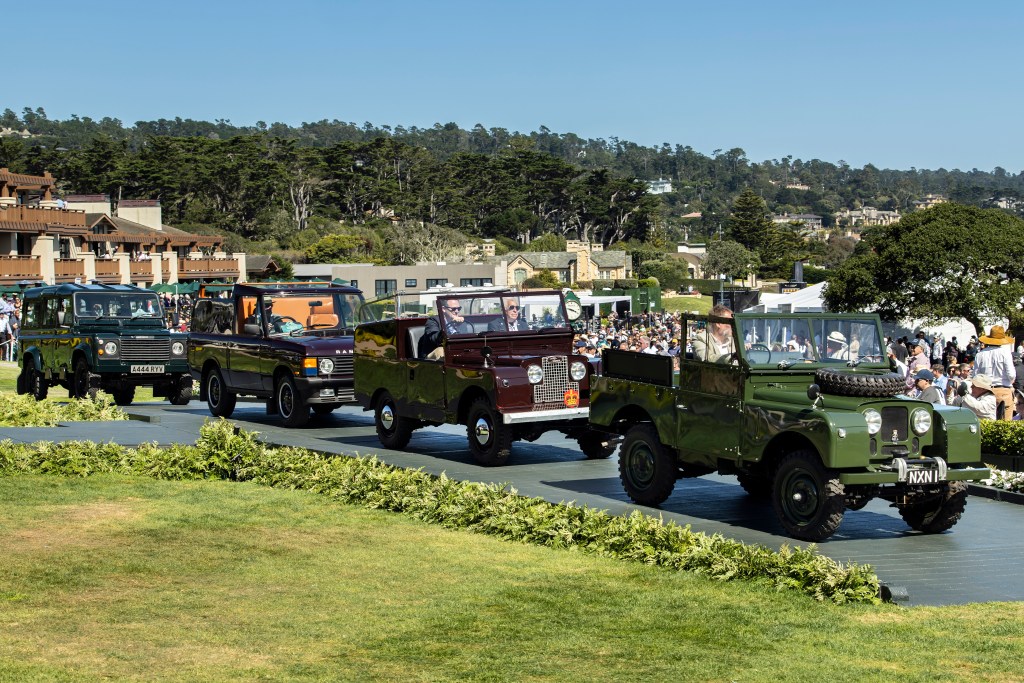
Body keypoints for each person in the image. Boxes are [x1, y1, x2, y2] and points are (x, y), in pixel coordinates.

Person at [973, 325, 1016, 421]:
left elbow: (975, 376)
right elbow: (1011, 375)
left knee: (986, 422)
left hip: (985, 391)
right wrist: (1011, 382)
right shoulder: (1005, 353)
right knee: (1005, 425)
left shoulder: (980, 354)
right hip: (1003, 390)